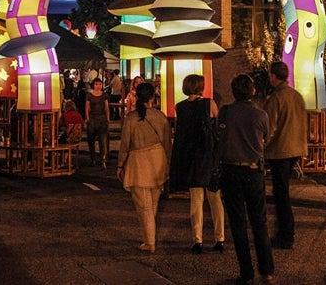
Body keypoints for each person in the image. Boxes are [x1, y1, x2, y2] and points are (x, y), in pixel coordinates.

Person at [219, 74, 275, 285]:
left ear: (234, 92)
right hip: (253, 171)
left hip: (230, 171)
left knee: (238, 223)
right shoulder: (260, 115)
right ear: (252, 91)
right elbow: (265, 139)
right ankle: (267, 271)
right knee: (259, 222)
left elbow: (219, 137)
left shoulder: (225, 113)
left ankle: (246, 272)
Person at [169, 74, 225, 254]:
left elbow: (181, 134)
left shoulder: (180, 107)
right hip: (208, 156)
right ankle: (219, 238)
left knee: (196, 200)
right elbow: (218, 127)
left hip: (191, 158)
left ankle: (197, 240)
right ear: (200, 86)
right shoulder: (210, 104)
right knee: (215, 199)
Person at [116, 83, 171, 254]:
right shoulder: (160, 116)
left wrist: (120, 164)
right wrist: (168, 163)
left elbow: (125, 144)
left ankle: (149, 241)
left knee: (144, 205)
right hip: (158, 160)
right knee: (153, 202)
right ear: (153, 98)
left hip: (139, 162)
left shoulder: (132, 118)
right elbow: (167, 143)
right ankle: (150, 236)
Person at [263, 61, 307, 249]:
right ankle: (285, 232)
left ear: (273, 76)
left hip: (280, 150)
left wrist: (262, 147)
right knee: (283, 191)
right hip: (295, 148)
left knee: (281, 194)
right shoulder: (296, 96)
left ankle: (286, 234)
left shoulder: (276, 98)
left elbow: (269, 128)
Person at [85, 77, 110, 169]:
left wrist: (108, 119)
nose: (98, 86)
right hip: (92, 119)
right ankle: (93, 159)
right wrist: (87, 118)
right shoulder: (89, 95)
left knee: (102, 141)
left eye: (100, 84)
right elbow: (87, 107)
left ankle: (103, 160)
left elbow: (106, 108)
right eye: (96, 84)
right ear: (93, 85)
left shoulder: (104, 95)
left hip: (102, 119)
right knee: (91, 140)